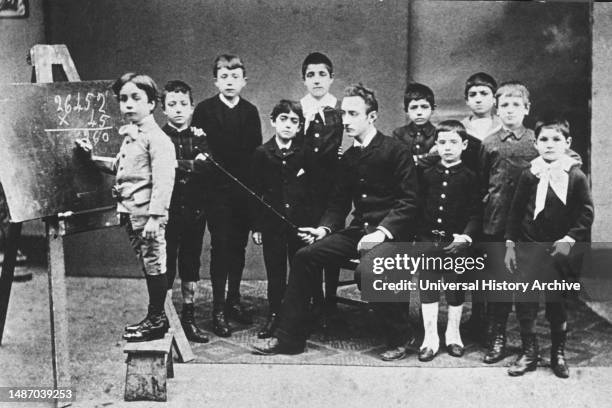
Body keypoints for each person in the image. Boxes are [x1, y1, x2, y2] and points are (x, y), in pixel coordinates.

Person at [252, 83, 418, 361]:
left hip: (392, 235)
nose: (345, 121)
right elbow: (338, 203)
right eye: (344, 114)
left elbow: (409, 202)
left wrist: (382, 232)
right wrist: (324, 229)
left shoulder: (395, 150)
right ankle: (289, 339)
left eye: (353, 114)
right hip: (358, 231)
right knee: (305, 256)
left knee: (372, 266)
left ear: (372, 117)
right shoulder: (349, 156)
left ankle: (400, 337)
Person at [76, 73, 176, 342]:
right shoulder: (132, 135)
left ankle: (156, 320)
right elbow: (119, 167)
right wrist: (92, 158)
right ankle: (156, 318)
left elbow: (164, 181)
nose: (128, 105)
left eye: (136, 98)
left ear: (152, 103)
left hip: (146, 215)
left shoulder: (157, 139)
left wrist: (156, 218)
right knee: (148, 264)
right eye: (123, 99)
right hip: (132, 213)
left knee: (155, 264)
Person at [504, 117, 593, 378]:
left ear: (568, 143)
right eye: (544, 139)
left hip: (560, 249)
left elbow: (586, 214)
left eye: (556, 139)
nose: (550, 145)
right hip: (529, 246)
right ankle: (529, 352)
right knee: (526, 301)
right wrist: (511, 243)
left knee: (557, 303)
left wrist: (569, 239)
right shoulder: (529, 174)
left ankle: (558, 353)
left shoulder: (575, 175)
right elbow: (515, 211)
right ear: (536, 143)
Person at [191, 54, 262, 337]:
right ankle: (218, 307)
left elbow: (255, 155)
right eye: (224, 77)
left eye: (235, 77)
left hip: (243, 192)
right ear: (215, 81)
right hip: (215, 193)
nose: (229, 82)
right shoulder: (205, 111)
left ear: (244, 81)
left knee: (238, 248)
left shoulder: (250, 112)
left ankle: (234, 299)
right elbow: (197, 149)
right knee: (221, 247)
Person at [416, 120, 481, 362]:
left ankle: (453, 334)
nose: (447, 147)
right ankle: (430, 338)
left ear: (464, 144)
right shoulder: (426, 175)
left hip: (456, 244)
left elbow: (476, 213)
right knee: (429, 290)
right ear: (435, 145)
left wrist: (465, 236)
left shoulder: (470, 177)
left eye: (453, 142)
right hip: (428, 242)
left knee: (455, 289)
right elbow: (417, 208)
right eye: (442, 142)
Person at [251, 100, 309, 339]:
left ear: (299, 127)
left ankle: (297, 317)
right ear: (273, 121)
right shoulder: (262, 153)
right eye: (283, 119)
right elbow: (255, 192)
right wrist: (257, 226)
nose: (288, 125)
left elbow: (312, 191)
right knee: (275, 271)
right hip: (272, 225)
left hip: (298, 224)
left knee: (299, 269)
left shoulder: (304, 153)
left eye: (294, 121)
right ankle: (274, 314)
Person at [161, 80, 210, 343]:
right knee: (166, 263)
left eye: (183, 104)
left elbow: (207, 167)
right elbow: (161, 167)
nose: (178, 109)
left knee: (191, 263)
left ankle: (189, 318)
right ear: (163, 109)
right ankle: (164, 318)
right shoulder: (159, 137)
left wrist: (177, 164)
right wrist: (192, 163)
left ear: (192, 107)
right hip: (166, 212)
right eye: (172, 104)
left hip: (194, 212)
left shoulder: (201, 137)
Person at [299, 52, 344, 319]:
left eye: (322, 74)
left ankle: (330, 299)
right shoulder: (299, 108)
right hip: (306, 185)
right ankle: (314, 298)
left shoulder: (339, 108)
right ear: (304, 80)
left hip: (333, 183)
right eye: (311, 75)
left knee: (332, 234)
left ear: (331, 78)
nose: (317, 80)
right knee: (310, 241)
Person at [392, 82, 437, 169]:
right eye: (414, 107)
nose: (419, 112)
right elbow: (399, 161)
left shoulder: (438, 133)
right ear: (406, 111)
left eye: (424, 107)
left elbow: (438, 158)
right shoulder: (399, 134)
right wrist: (428, 156)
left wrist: (412, 159)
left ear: (433, 109)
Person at [460, 72, 502, 142]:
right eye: (472, 95)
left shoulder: (503, 125)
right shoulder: (460, 128)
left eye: (484, 94)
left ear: (494, 98)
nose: (478, 100)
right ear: (467, 100)